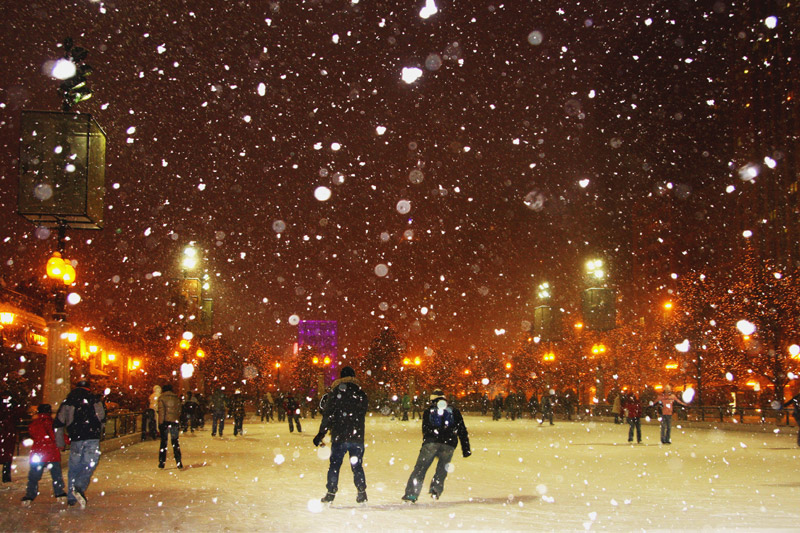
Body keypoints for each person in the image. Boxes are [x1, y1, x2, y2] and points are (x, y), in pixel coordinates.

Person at [402, 389, 471, 503]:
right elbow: (462, 429)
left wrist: (428, 441)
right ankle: (436, 490)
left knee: (420, 469)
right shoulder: (453, 410)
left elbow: (426, 428)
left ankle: (412, 494)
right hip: (449, 444)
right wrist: (466, 448)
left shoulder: (429, 410)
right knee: (442, 468)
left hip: (432, 442)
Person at [313, 366, 369, 504]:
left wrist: (321, 433)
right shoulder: (361, 394)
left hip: (340, 436)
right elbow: (362, 412)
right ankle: (361, 492)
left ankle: (331, 493)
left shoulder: (335, 393)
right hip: (357, 436)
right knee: (357, 465)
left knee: (334, 465)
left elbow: (328, 415)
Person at [54, 379, 106, 508]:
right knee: (90, 463)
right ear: (89, 388)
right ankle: (79, 486)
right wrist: (100, 431)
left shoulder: (69, 401)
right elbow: (102, 417)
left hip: (76, 437)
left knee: (74, 466)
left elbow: (59, 422)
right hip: (92, 436)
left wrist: (60, 441)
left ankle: (72, 496)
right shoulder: (94, 400)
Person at [22, 404, 67, 506]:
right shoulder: (51, 423)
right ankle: (59, 493)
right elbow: (56, 435)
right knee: (56, 475)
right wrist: (66, 441)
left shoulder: (34, 424)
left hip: (38, 452)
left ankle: (30, 494)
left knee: (34, 475)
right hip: (52, 452)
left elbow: (33, 434)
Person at [157, 384, 183, 469]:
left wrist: (160, 423)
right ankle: (178, 461)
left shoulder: (162, 398)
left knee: (163, 443)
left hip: (165, 422)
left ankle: (162, 462)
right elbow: (179, 410)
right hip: (174, 422)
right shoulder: (176, 398)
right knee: (175, 442)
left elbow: (161, 412)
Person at [0, 395, 21, 486]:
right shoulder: (12, 410)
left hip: (5, 433)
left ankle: (6, 476)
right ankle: (6, 477)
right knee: (7, 457)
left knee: (6, 455)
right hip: (8, 434)